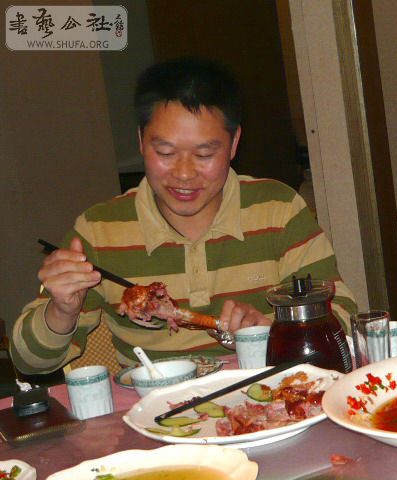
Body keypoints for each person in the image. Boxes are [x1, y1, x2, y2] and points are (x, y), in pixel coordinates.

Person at [11, 57, 356, 375]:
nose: (184, 174)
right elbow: (30, 363)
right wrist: (62, 310)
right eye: (165, 152)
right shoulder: (100, 230)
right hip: (156, 412)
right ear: (141, 141)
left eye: (204, 154)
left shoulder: (277, 210)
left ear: (234, 143)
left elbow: (344, 319)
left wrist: (278, 334)